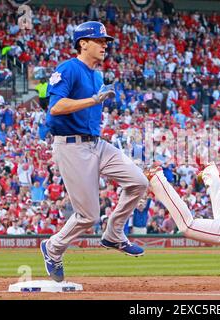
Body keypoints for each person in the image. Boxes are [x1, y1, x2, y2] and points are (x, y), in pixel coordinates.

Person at [41, 21, 148, 282]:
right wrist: (93, 100)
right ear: (83, 43)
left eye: (105, 41)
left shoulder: (97, 75)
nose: (104, 45)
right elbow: (55, 107)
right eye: (99, 41)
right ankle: (53, 248)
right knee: (88, 216)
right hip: (71, 145)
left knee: (138, 182)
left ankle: (113, 235)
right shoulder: (68, 68)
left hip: (96, 143)